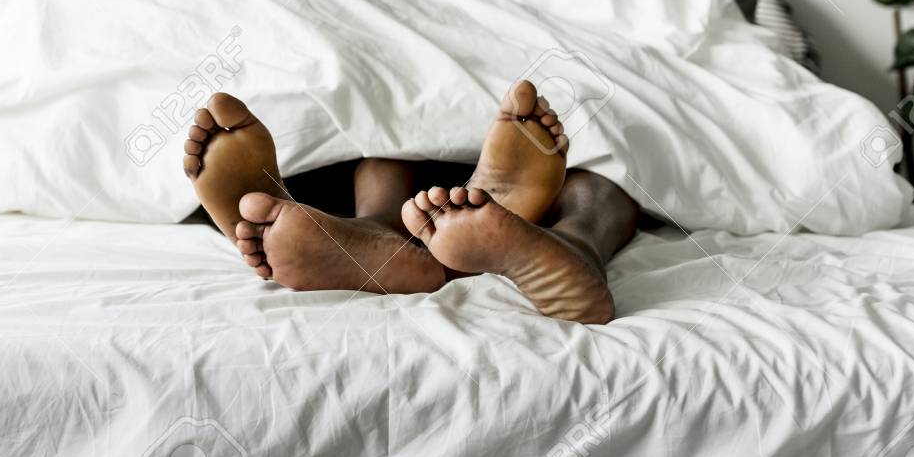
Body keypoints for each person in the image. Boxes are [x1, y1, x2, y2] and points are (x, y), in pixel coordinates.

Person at [182, 80, 640, 324]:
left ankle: (381, 231)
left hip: (361, 174)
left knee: (381, 145)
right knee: (601, 182)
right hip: (375, 170)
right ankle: (573, 245)